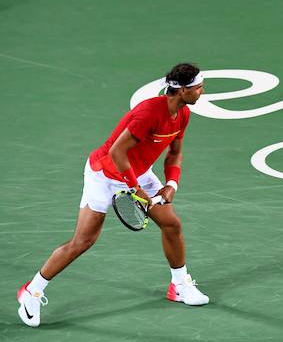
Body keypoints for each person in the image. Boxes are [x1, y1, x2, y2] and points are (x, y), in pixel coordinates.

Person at [16, 63, 209, 327]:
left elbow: (174, 152)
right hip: (105, 174)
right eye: (198, 88)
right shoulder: (148, 114)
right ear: (182, 90)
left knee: (172, 224)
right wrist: (135, 190)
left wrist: (171, 184)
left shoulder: (183, 114)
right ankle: (32, 291)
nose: (202, 92)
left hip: (137, 172)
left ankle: (179, 285)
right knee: (82, 242)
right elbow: (117, 152)